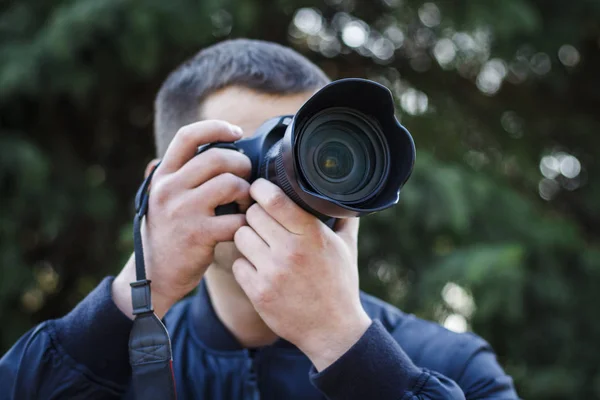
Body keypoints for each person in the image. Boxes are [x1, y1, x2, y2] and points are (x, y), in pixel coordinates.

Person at [0, 39, 518, 399]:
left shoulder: (449, 366)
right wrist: (135, 294)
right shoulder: (112, 365)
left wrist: (345, 344)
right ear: (164, 184)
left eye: (304, 148)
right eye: (247, 154)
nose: (283, 185)